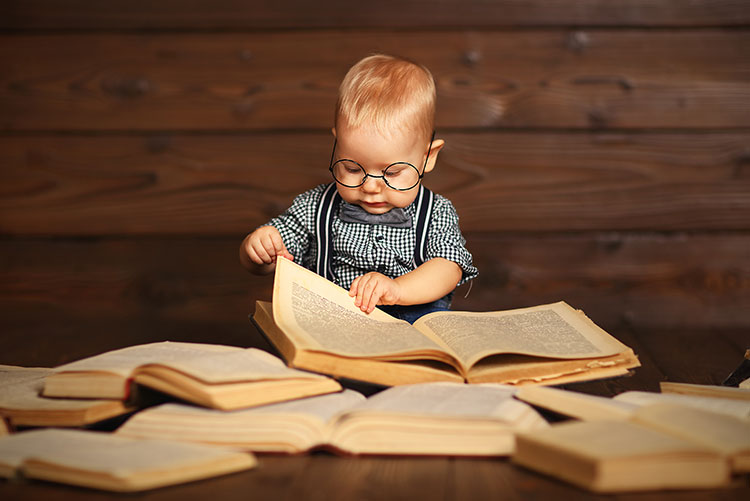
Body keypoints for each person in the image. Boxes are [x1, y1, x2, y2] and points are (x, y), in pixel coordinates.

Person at [240, 54, 477, 323]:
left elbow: (448, 268)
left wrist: (398, 290)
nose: (370, 186)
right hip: (329, 324)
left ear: (427, 158)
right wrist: (259, 250)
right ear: (337, 145)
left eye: (392, 172)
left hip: (409, 328)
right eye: (353, 168)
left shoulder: (436, 212)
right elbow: (272, 259)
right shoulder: (314, 206)